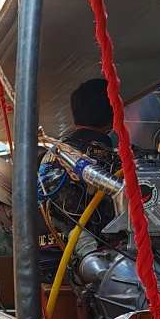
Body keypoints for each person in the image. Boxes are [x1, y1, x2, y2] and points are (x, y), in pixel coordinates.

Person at [39, 77, 118, 261]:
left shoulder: (51, 154)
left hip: (50, 256)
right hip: (102, 261)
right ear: (113, 113)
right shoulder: (112, 159)